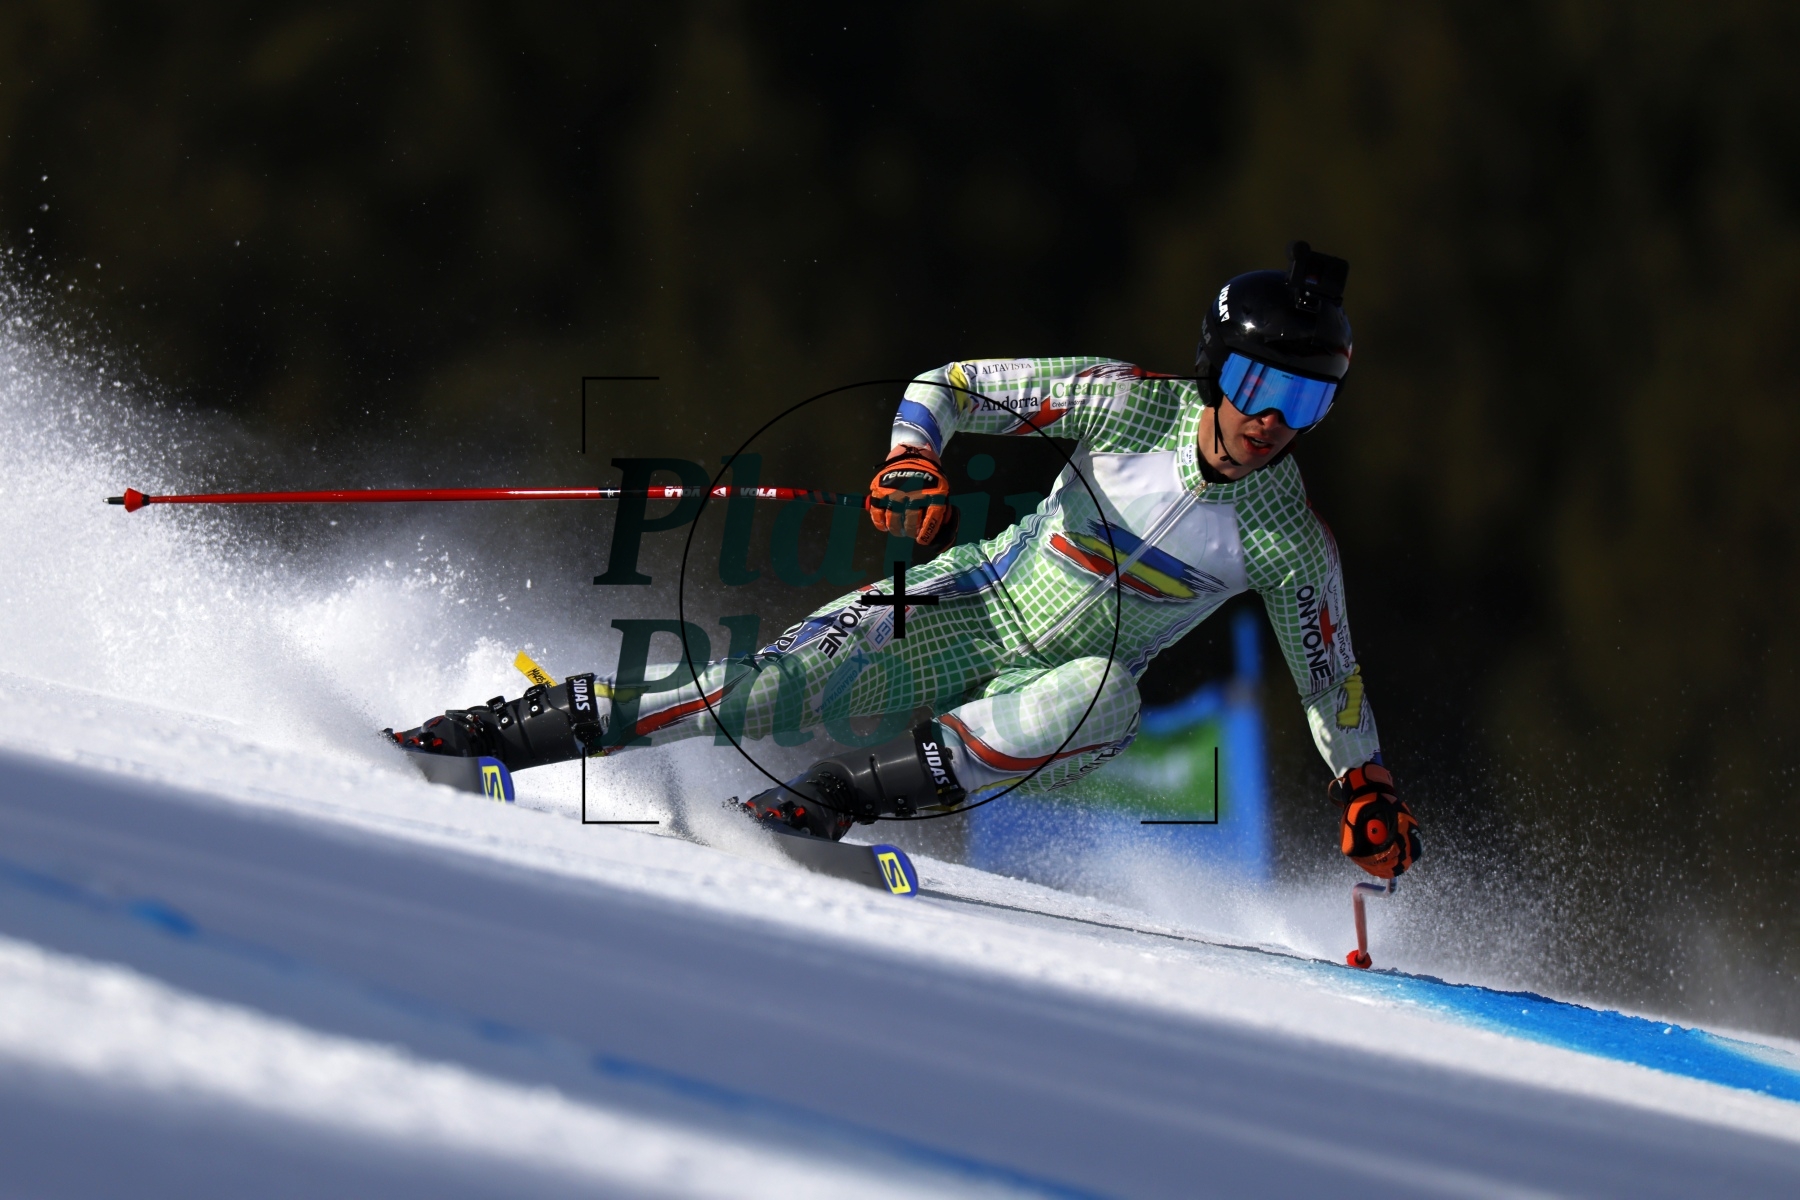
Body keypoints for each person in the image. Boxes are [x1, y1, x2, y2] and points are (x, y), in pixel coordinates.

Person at [390, 242, 1421, 880]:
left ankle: (826, 800)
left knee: (1107, 696)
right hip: (971, 605)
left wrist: (1363, 785)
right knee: (759, 695)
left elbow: (1330, 680)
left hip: (1053, 691)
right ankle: (501, 732)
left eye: (1308, 402)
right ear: (1216, 368)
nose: (1273, 422)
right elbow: (951, 385)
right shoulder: (1126, 404)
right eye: (1259, 385)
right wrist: (912, 459)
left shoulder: (1288, 537)